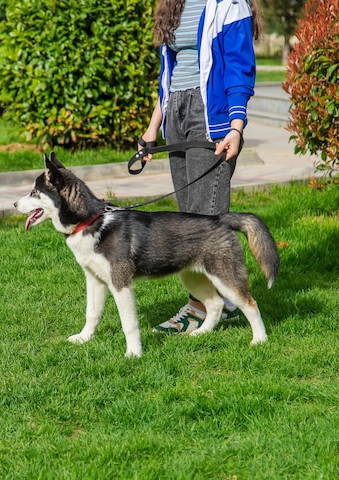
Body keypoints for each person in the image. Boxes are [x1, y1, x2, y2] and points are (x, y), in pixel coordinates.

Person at [140, 0, 262, 334]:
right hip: (176, 112)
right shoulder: (174, 4)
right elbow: (171, 71)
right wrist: (154, 127)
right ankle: (223, 299)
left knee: (203, 225)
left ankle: (203, 308)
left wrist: (236, 128)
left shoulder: (229, 4)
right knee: (186, 221)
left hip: (211, 116)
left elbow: (240, 68)